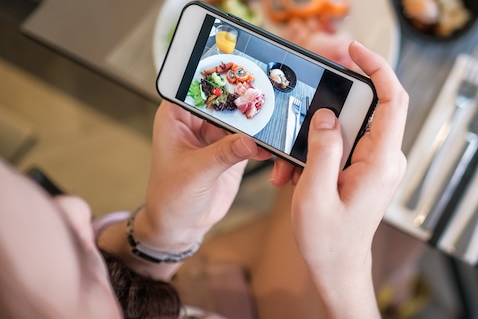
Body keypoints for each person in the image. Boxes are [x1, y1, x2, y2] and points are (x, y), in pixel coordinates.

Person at [0, 41, 419, 319]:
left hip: (185, 299)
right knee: (387, 209)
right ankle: (396, 285)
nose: (74, 207)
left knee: (338, 194)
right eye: (79, 259)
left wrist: (160, 235)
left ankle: (398, 280)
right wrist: (347, 276)